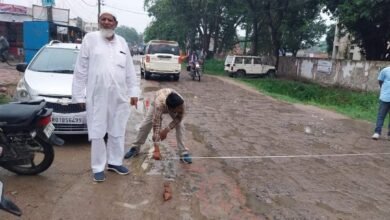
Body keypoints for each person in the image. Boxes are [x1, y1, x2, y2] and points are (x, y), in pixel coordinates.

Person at [72, 11, 140, 182]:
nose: (107, 22)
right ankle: (97, 167)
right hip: (98, 96)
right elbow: (81, 69)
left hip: (119, 95)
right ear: (99, 22)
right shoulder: (90, 39)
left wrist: (133, 93)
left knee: (117, 129)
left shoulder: (122, 42)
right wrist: (79, 95)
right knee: (97, 131)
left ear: (115, 23)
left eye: (110, 20)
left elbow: (130, 71)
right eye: (103, 19)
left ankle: (115, 162)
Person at [124, 88, 192, 164]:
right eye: (177, 109)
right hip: (158, 101)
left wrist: (166, 130)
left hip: (171, 103)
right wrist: (156, 149)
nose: (180, 110)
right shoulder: (159, 105)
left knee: (180, 125)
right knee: (145, 125)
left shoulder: (181, 104)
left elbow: (179, 118)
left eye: (180, 108)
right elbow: (156, 124)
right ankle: (135, 147)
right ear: (170, 109)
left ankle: (183, 152)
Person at [372, 66, 390, 140]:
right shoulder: (385, 70)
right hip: (385, 98)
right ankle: (377, 132)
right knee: (381, 116)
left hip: (385, 96)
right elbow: (380, 81)